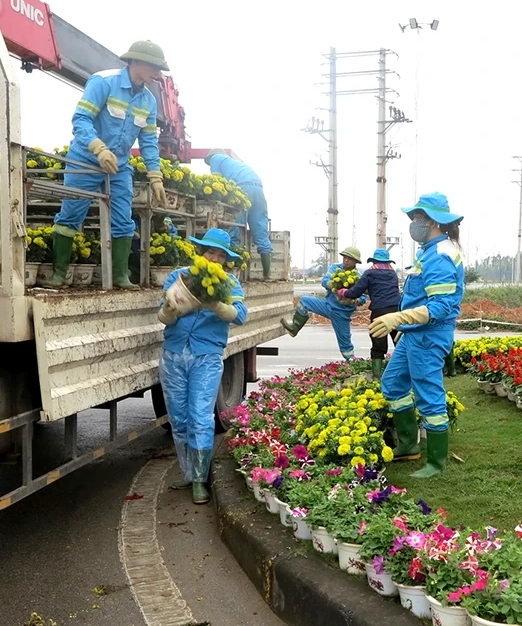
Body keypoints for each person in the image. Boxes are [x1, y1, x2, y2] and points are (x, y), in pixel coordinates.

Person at [47, 40, 170, 290]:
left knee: (124, 220)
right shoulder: (103, 82)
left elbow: (148, 141)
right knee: (70, 216)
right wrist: (98, 148)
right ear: (136, 61)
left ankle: (120, 276)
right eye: (155, 67)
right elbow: (81, 119)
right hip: (85, 159)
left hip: (119, 167)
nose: (158, 73)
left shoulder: (149, 100)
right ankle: (58, 274)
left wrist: (155, 175)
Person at [369, 192, 464, 478]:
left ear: (433, 221)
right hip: (414, 333)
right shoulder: (429, 250)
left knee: (429, 394)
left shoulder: (441, 255)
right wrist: (404, 325)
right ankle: (409, 445)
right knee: (393, 384)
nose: (414, 222)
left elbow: (440, 306)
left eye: (418, 217)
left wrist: (397, 318)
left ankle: (436, 461)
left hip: (428, 335)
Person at [157, 228, 247, 504]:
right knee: (179, 418)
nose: (215, 259)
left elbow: (240, 315)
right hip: (173, 355)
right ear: (200, 252)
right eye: (210, 252)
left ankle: (200, 479)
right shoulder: (180, 276)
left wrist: (216, 305)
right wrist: (169, 312)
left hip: (206, 357)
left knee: (200, 417)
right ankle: (187, 472)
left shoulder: (229, 283)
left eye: (221, 255)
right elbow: (163, 315)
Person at [280, 247, 367, 360]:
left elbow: (364, 297)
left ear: (356, 261)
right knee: (305, 301)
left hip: (341, 313)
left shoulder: (358, 277)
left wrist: (353, 301)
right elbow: (324, 280)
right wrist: (332, 284)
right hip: (327, 305)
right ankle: (295, 327)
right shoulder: (335, 268)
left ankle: (352, 363)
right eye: (345, 257)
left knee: (345, 344)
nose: (346, 260)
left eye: (349, 259)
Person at [204, 149, 273, 279]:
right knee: (260, 231)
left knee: (233, 226)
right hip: (258, 189)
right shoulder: (237, 165)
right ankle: (267, 275)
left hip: (242, 189)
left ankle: (231, 273)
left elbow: (216, 182)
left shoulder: (215, 158)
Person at [337, 248, 401, 379]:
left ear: (374, 261)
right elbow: (384, 289)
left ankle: (377, 377)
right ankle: (404, 374)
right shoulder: (393, 274)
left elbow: (355, 292)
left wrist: (343, 292)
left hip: (379, 312)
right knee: (400, 343)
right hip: (396, 311)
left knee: (378, 345)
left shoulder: (369, 273)